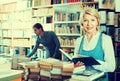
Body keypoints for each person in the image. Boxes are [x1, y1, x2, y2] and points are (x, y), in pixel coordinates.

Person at [73, 7, 116, 80]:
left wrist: (93, 62)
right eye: (85, 20)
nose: (89, 24)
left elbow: (111, 67)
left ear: (97, 22)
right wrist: (76, 65)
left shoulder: (105, 39)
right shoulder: (78, 41)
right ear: (82, 23)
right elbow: (75, 63)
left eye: (92, 20)